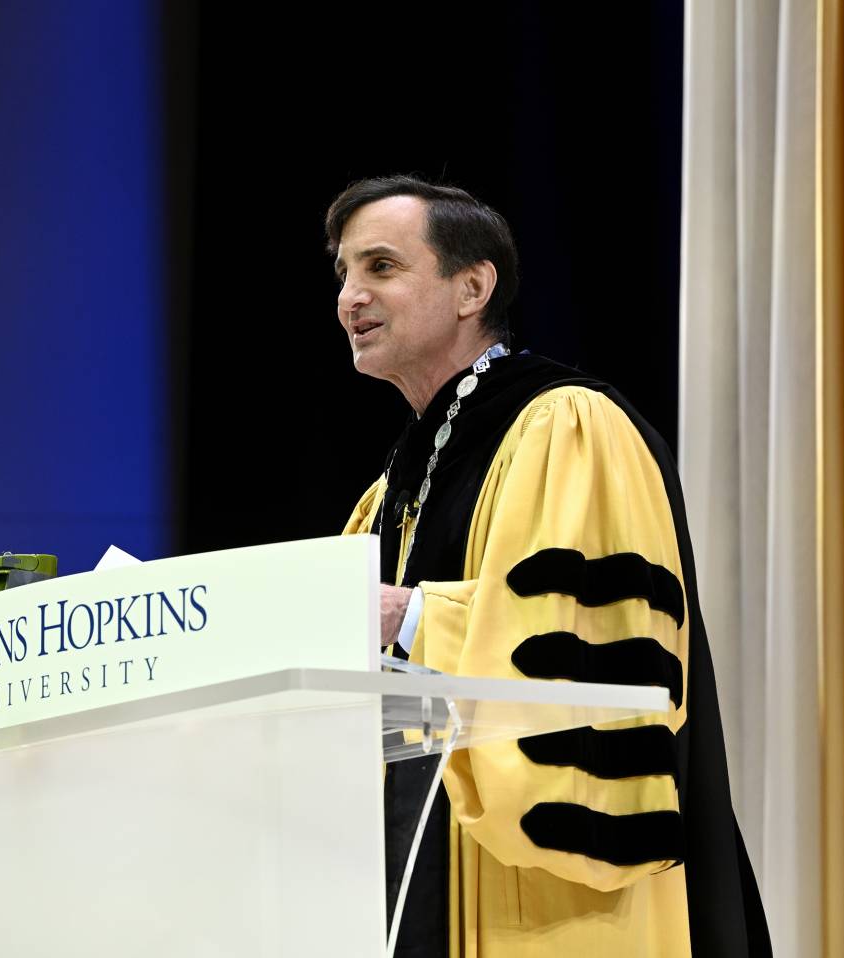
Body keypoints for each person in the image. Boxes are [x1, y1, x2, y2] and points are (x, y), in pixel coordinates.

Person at [329, 175, 770, 957]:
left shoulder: (570, 428)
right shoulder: (390, 487)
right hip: (413, 876)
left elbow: (576, 648)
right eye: (344, 274)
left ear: (472, 287)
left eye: (381, 267)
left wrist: (412, 617)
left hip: (551, 901)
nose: (350, 297)